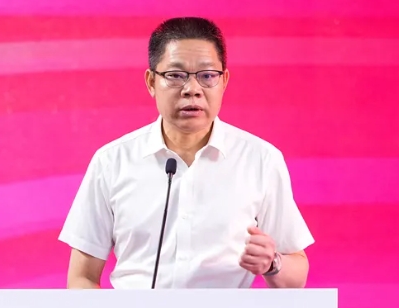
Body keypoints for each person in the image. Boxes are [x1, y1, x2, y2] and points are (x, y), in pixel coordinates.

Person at [58, 17, 313, 289]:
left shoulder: (260, 160)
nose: (192, 90)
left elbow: (297, 273)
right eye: (175, 76)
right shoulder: (112, 162)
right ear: (151, 82)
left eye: (207, 76)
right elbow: (82, 277)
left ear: (224, 81)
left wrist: (272, 263)